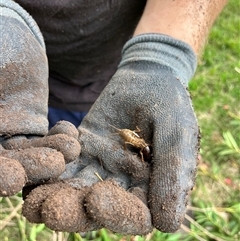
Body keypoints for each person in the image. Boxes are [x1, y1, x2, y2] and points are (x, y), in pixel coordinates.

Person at [0, 0, 228, 235]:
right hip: (34, 88)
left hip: (121, 68)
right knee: (60, 148)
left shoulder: (136, 140)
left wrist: (162, 53)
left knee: (152, 163)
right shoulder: (133, 142)